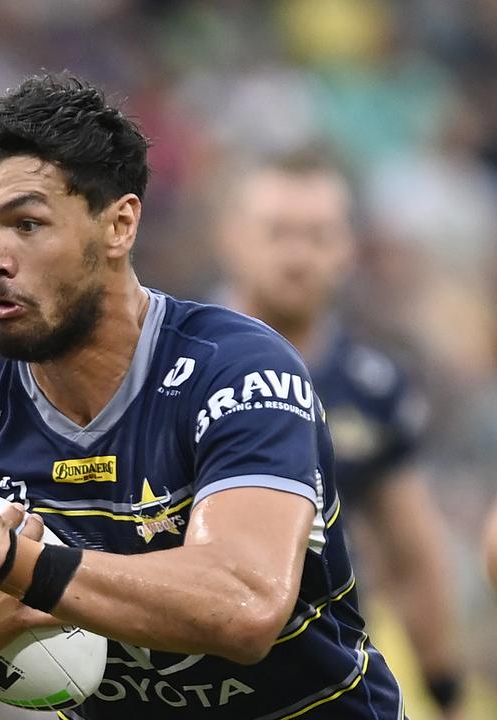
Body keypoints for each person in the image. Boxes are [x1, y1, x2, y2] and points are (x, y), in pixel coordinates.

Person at [0, 73, 404, 719]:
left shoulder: (240, 371)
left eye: (28, 224)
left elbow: (245, 605)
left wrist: (11, 562)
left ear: (120, 224)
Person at [213, 151, 464, 718]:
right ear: (231, 237)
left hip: (325, 680)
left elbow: (414, 553)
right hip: (190, 676)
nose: (298, 256)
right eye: (278, 232)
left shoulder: (372, 386)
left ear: (347, 248)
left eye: (318, 235)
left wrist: (444, 686)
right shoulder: (167, 364)